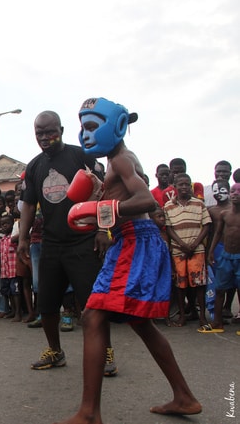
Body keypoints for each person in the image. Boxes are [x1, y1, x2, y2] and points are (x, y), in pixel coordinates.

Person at [56, 97, 201, 424]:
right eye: (83, 127)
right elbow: (116, 207)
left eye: (92, 126)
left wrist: (102, 208)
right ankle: (185, 396)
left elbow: (145, 200)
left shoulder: (122, 159)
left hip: (137, 241)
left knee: (93, 317)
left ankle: (90, 413)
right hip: (130, 240)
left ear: (116, 126)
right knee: (140, 322)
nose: (85, 134)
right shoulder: (113, 163)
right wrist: (97, 198)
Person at [16, 110, 114, 373]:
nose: (45, 137)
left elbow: (104, 193)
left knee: (92, 303)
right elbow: (28, 204)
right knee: (46, 303)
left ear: (61, 129)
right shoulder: (35, 166)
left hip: (83, 241)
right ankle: (55, 351)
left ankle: (105, 353)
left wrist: (103, 230)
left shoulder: (81, 156)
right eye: (40, 133)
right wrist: (23, 238)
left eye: (50, 131)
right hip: (51, 243)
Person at [164, 173, 211, 329]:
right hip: (179, 251)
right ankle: (183, 316)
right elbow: (169, 229)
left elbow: (206, 226)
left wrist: (194, 244)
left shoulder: (199, 204)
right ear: (175, 187)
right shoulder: (168, 206)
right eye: (181, 184)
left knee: (199, 285)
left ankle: (202, 317)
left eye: (187, 184)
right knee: (180, 285)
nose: (184, 187)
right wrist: (182, 245)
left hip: (197, 250)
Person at [208, 182, 240, 333]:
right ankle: (217, 323)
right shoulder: (224, 214)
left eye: (239, 191)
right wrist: (211, 251)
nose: (235, 194)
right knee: (220, 289)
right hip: (226, 256)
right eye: (233, 191)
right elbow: (218, 233)